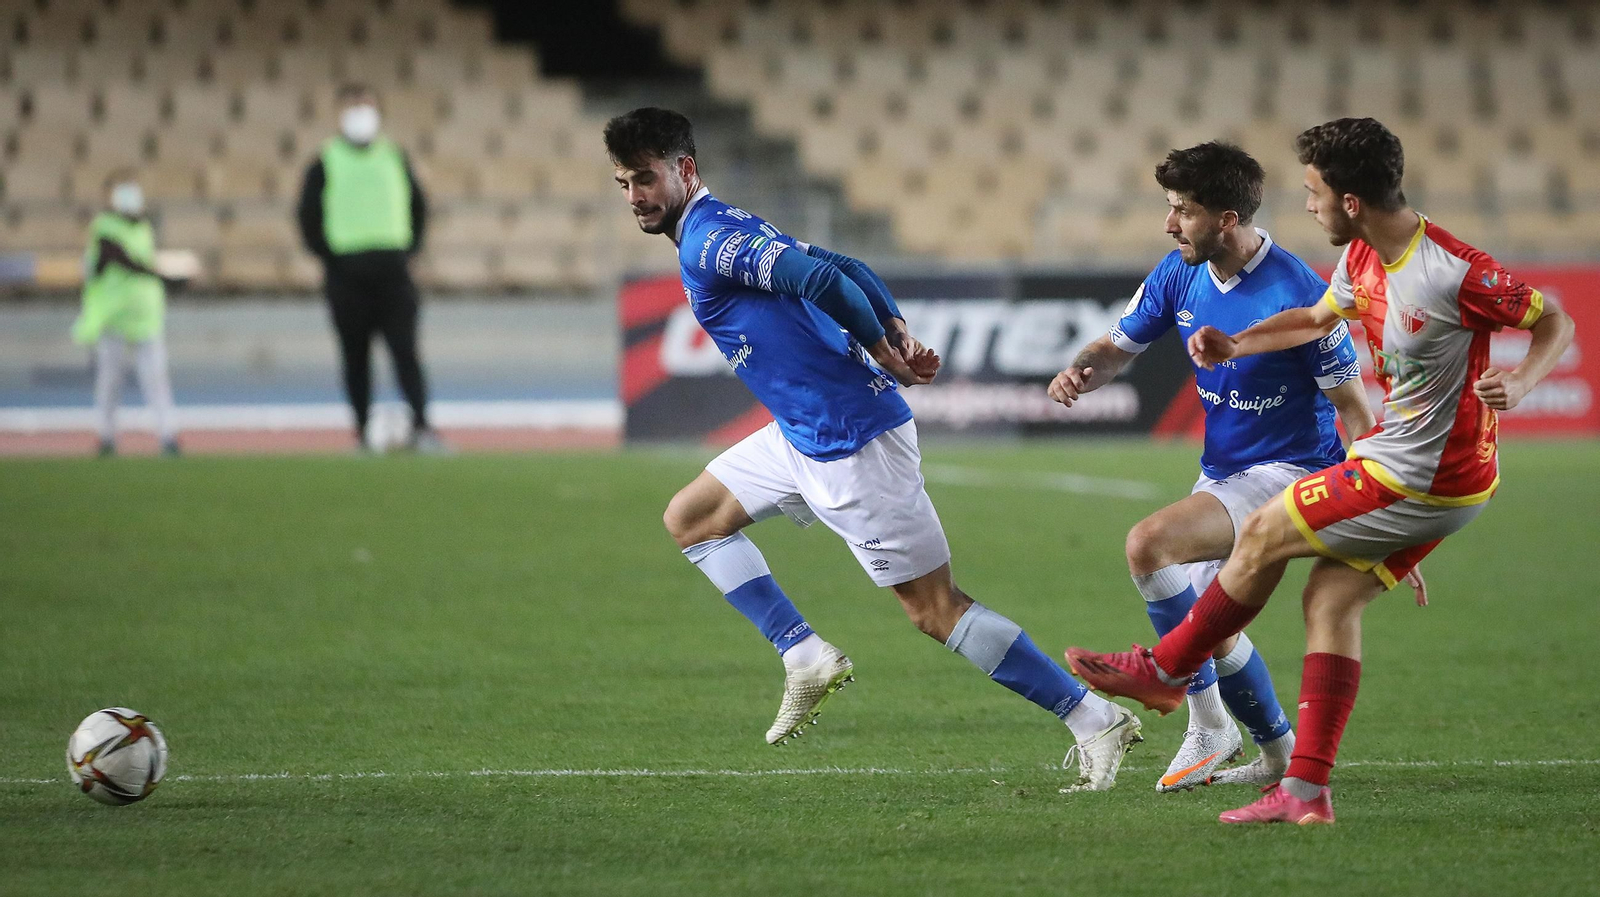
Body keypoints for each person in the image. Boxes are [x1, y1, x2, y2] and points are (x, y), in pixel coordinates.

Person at [606, 107, 1141, 791]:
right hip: (802, 433)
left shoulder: (707, 240)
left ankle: (1093, 717)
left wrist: (886, 347)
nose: (635, 198)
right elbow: (842, 263)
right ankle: (804, 654)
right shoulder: (729, 225)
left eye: (645, 178)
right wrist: (892, 325)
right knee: (691, 518)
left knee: (935, 609)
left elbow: (825, 281)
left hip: (852, 441)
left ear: (684, 170)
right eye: (623, 184)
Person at [1065, 118, 1575, 824]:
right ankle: (1302, 787)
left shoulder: (1452, 270)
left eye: (1314, 192)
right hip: (1413, 475)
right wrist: (1237, 343)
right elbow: (1311, 318)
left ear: (1351, 199)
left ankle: (1168, 670)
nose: (1307, 205)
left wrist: (1519, 383)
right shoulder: (1361, 264)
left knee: (1262, 535)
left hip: (1421, 473)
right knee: (1329, 603)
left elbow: (1554, 321)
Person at [1048, 142, 1382, 792]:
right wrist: (1082, 370)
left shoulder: (1300, 295)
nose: (1171, 224)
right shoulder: (1179, 274)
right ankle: (1278, 751)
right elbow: (1117, 348)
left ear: (1227, 218)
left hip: (1296, 473)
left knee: (1149, 544)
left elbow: (1358, 415)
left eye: (1183, 211)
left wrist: (1392, 522)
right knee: (1204, 619)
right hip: (1224, 474)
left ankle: (1206, 722)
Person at [296, 82, 444, 453]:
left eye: (366, 106)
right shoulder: (325, 160)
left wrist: (411, 249)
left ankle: (423, 427)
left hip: (393, 271)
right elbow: (307, 214)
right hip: (346, 274)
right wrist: (328, 255)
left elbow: (419, 206)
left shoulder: (395, 156)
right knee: (355, 356)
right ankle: (362, 432)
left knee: (405, 352)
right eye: (352, 107)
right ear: (339, 114)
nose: (360, 115)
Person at [73, 170, 180, 457]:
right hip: (114, 315)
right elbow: (120, 258)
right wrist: (163, 277)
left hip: (145, 313)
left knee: (156, 377)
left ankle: (168, 435)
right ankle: (106, 436)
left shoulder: (144, 226)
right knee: (110, 378)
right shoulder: (104, 226)